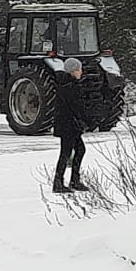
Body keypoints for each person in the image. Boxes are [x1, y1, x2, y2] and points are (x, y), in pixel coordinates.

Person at [53, 57, 92, 193]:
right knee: (66, 152)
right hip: (68, 125)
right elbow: (76, 107)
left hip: (70, 125)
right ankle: (59, 182)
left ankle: (74, 180)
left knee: (79, 150)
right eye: (78, 70)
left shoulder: (68, 84)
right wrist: (87, 120)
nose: (80, 72)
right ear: (73, 71)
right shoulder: (70, 87)